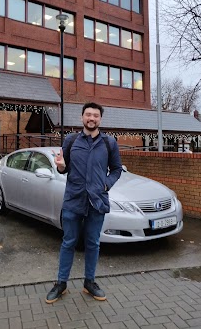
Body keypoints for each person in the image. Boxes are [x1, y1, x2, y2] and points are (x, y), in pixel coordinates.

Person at [46, 102, 122, 303]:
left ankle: (90, 282)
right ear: (82, 117)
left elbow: (116, 170)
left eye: (95, 115)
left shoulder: (109, 143)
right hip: (73, 200)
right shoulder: (71, 141)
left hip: (97, 202)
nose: (92, 118)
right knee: (68, 242)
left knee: (93, 243)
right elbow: (64, 168)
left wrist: (106, 185)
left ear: (100, 119)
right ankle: (61, 284)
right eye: (88, 114)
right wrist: (61, 167)